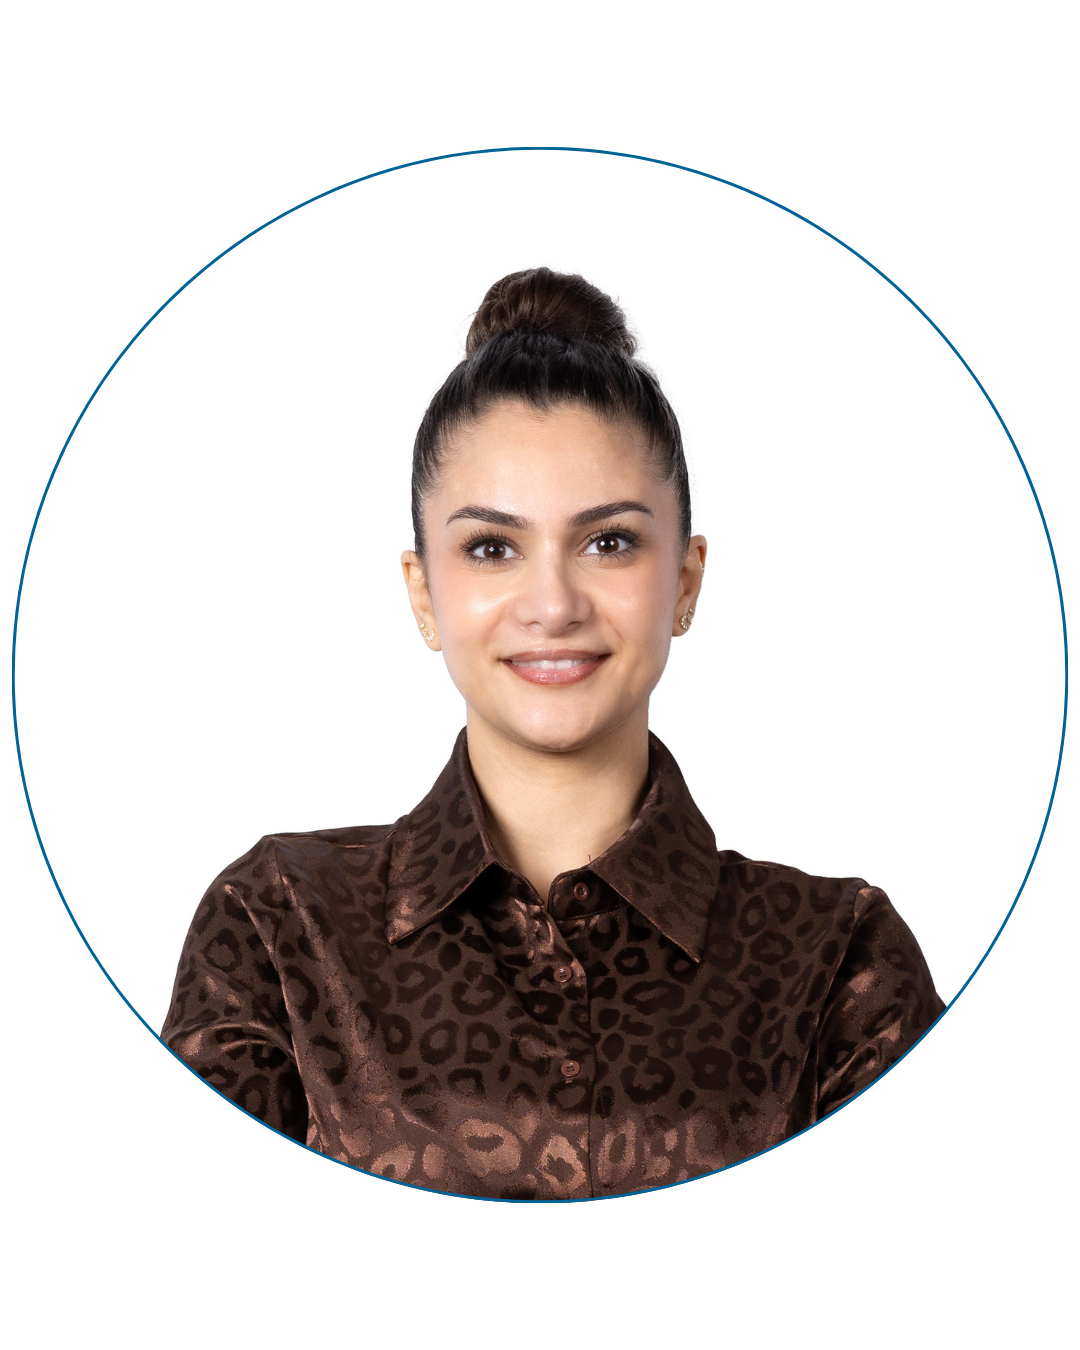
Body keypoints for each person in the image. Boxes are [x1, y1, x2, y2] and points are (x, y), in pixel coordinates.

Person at [162, 267, 945, 1200]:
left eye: (608, 541)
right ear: (424, 592)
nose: (552, 604)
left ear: (686, 580)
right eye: (491, 548)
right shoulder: (280, 926)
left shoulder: (838, 959)